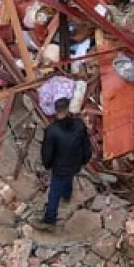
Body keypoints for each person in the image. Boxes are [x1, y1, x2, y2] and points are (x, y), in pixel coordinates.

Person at [33, 97, 93, 229]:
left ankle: (50, 218)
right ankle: (67, 196)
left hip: (59, 167)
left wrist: (47, 164)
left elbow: (47, 152)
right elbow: (86, 145)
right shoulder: (79, 124)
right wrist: (84, 159)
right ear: (68, 108)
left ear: (56, 110)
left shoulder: (52, 130)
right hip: (75, 164)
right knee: (69, 179)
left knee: (54, 192)